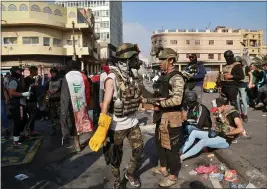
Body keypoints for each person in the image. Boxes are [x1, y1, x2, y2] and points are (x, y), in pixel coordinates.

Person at [89, 43, 143, 189]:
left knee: (139, 149)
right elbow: (106, 104)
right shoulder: (111, 78)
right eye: (133, 58)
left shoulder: (133, 76)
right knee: (115, 158)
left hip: (132, 123)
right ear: (125, 60)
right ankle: (117, 180)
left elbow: (139, 96)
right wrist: (102, 128)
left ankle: (130, 173)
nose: (136, 61)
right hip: (116, 126)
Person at [142, 48, 185, 187]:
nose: (159, 62)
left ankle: (172, 177)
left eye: (162, 59)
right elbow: (157, 93)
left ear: (171, 60)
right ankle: (163, 169)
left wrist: (159, 104)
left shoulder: (176, 77)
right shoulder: (163, 76)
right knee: (160, 144)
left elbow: (177, 100)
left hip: (172, 118)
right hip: (161, 117)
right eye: (159, 59)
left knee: (171, 149)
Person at [60, 60, 93, 152]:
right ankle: (94, 139)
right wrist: (87, 104)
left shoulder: (66, 77)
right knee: (86, 121)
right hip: (82, 104)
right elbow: (88, 92)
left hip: (71, 106)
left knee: (75, 125)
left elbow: (64, 96)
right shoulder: (83, 76)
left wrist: (64, 110)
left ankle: (77, 144)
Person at [7, 66, 31, 145]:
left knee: (24, 119)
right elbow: (11, 93)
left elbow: (23, 86)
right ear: (14, 72)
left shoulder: (17, 80)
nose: (21, 73)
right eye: (19, 71)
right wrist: (23, 94)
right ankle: (16, 140)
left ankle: (19, 135)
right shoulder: (13, 81)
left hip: (20, 103)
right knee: (18, 121)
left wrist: (22, 77)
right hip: (16, 104)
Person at [24, 66, 39, 136]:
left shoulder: (34, 80)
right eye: (36, 71)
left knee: (33, 116)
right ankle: (27, 131)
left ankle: (32, 130)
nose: (37, 72)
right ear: (33, 71)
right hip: (28, 101)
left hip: (34, 100)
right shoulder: (26, 79)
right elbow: (24, 90)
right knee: (30, 116)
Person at [235, 56, 249, 122]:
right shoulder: (235, 67)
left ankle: (245, 114)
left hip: (243, 84)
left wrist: (250, 83)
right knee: (237, 100)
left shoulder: (245, 67)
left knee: (243, 100)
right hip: (236, 84)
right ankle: (240, 113)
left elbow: (250, 75)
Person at [48, 67, 62, 134]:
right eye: (51, 72)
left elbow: (60, 89)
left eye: (54, 72)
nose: (52, 74)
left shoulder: (60, 80)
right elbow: (47, 89)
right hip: (51, 100)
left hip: (58, 100)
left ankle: (62, 129)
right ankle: (53, 129)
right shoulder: (50, 80)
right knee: (52, 116)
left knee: (60, 115)